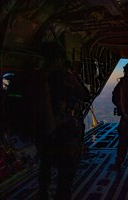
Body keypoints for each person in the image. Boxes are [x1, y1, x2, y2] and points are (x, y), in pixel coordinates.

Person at [36, 56, 90, 200]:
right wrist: (74, 77)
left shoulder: (37, 77)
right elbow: (85, 95)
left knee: (45, 165)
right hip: (63, 129)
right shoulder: (63, 77)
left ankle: (43, 194)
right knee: (66, 170)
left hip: (42, 130)